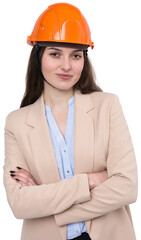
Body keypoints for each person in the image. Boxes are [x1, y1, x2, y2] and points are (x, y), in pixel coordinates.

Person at [3, 3, 138, 240]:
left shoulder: (107, 106)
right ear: (38, 56)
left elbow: (127, 187)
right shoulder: (17, 123)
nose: (66, 66)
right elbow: (20, 204)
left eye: (76, 55)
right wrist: (91, 180)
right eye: (55, 54)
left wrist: (51, 205)